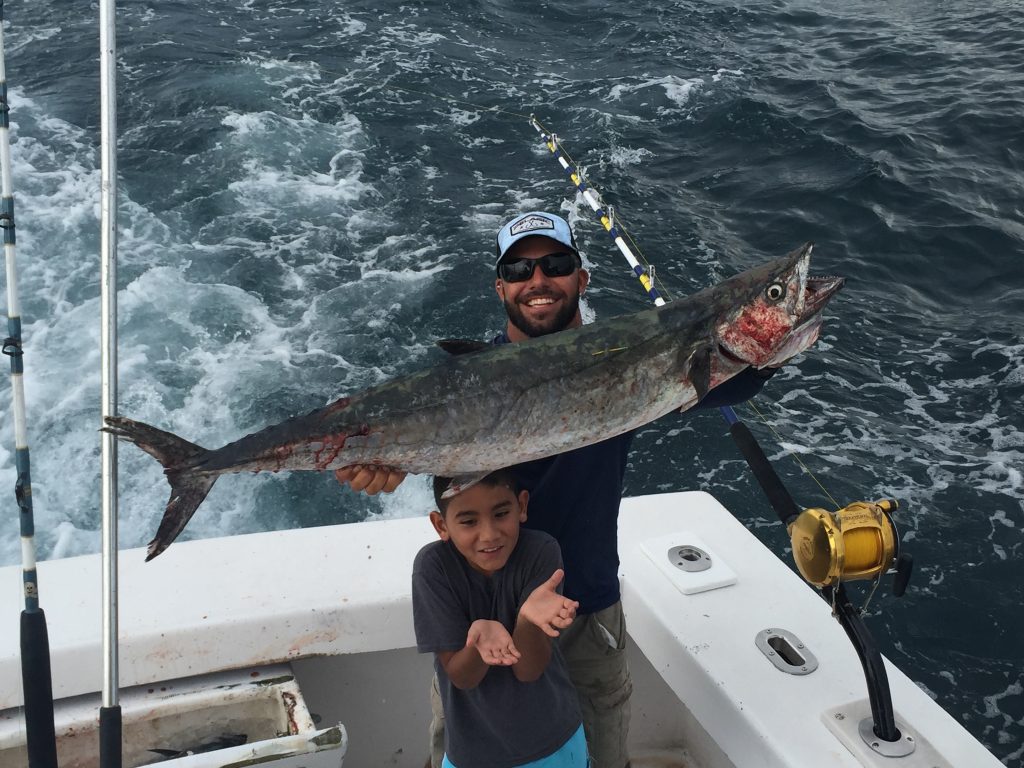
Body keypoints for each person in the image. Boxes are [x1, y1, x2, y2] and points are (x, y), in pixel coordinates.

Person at [337, 211, 779, 767]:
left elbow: (726, 373)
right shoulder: (460, 382)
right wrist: (383, 465)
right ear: (501, 287)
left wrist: (768, 340)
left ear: (582, 278)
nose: (538, 280)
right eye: (520, 268)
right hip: (480, 621)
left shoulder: (629, 357)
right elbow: (450, 484)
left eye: (556, 264)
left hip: (587, 610)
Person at [413, 470, 587, 768]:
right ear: (441, 525)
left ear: (522, 506)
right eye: (469, 521)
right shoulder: (432, 568)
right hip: (473, 754)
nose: (490, 534)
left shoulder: (542, 552)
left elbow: (529, 670)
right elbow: (462, 676)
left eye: (501, 513)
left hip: (555, 744)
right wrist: (478, 644)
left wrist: (527, 622)